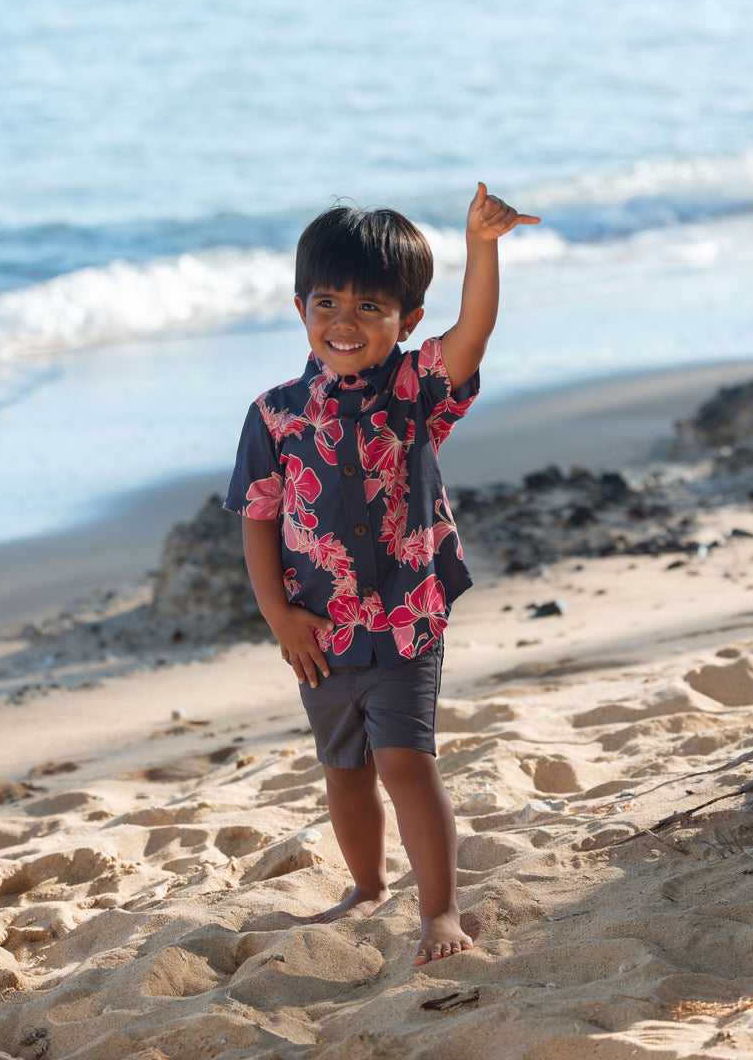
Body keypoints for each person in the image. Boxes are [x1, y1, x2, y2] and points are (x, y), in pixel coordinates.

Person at [225, 182, 540, 965]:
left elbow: (474, 335)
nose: (344, 323)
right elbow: (258, 512)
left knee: (405, 759)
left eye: (371, 308)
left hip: (405, 614)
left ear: (407, 320)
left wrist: (483, 246)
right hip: (318, 626)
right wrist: (276, 612)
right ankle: (366, 887)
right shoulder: (274, 414)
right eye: (327, 302)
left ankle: (440, 912)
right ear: (300, 307)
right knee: (344, 768)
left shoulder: (416, 389)